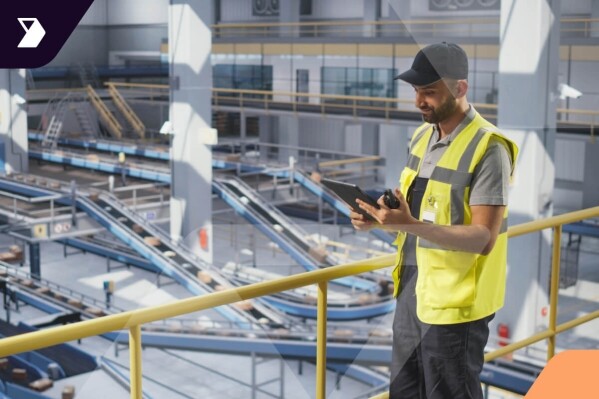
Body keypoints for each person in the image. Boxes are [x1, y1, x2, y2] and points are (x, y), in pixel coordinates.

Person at [349, 42, 518, 398]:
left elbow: (483, 238)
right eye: (416, 91)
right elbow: (417, 209)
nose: (419, 101)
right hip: (412, 289)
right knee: (405, 392)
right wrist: (379, 217)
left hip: (454, 306)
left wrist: (407, 225)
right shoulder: (422, 135)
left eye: (429, 91)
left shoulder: (489, 148)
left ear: (460, 88)